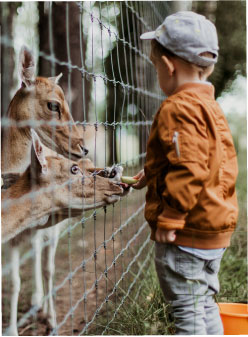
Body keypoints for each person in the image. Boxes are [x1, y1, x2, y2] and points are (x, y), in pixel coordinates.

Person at [132, 11, 239, 335]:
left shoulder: (177, 107)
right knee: (204, 305)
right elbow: (207, 161)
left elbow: (190, 168)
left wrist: (172, 216)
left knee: (187, 316)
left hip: (186, 234)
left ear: (168, 67)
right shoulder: (210, 106)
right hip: (212, 231)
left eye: (155, 67)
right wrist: (153, 174)